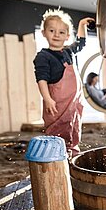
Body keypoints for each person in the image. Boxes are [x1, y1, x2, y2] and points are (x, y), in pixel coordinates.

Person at [33, 9, 94, 158]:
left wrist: (81, 24)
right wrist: (47, 99)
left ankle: (72, 154)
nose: (56, 35)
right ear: (43, 33)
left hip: (74, 103)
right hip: (56, 103)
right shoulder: (43, 56)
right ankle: (55, 158)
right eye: (52, 30)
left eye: (61, 32)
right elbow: (42, 79)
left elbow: (81, 43)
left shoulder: (68, 52)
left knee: (73, 128)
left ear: (67, 36)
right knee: (57, 131)